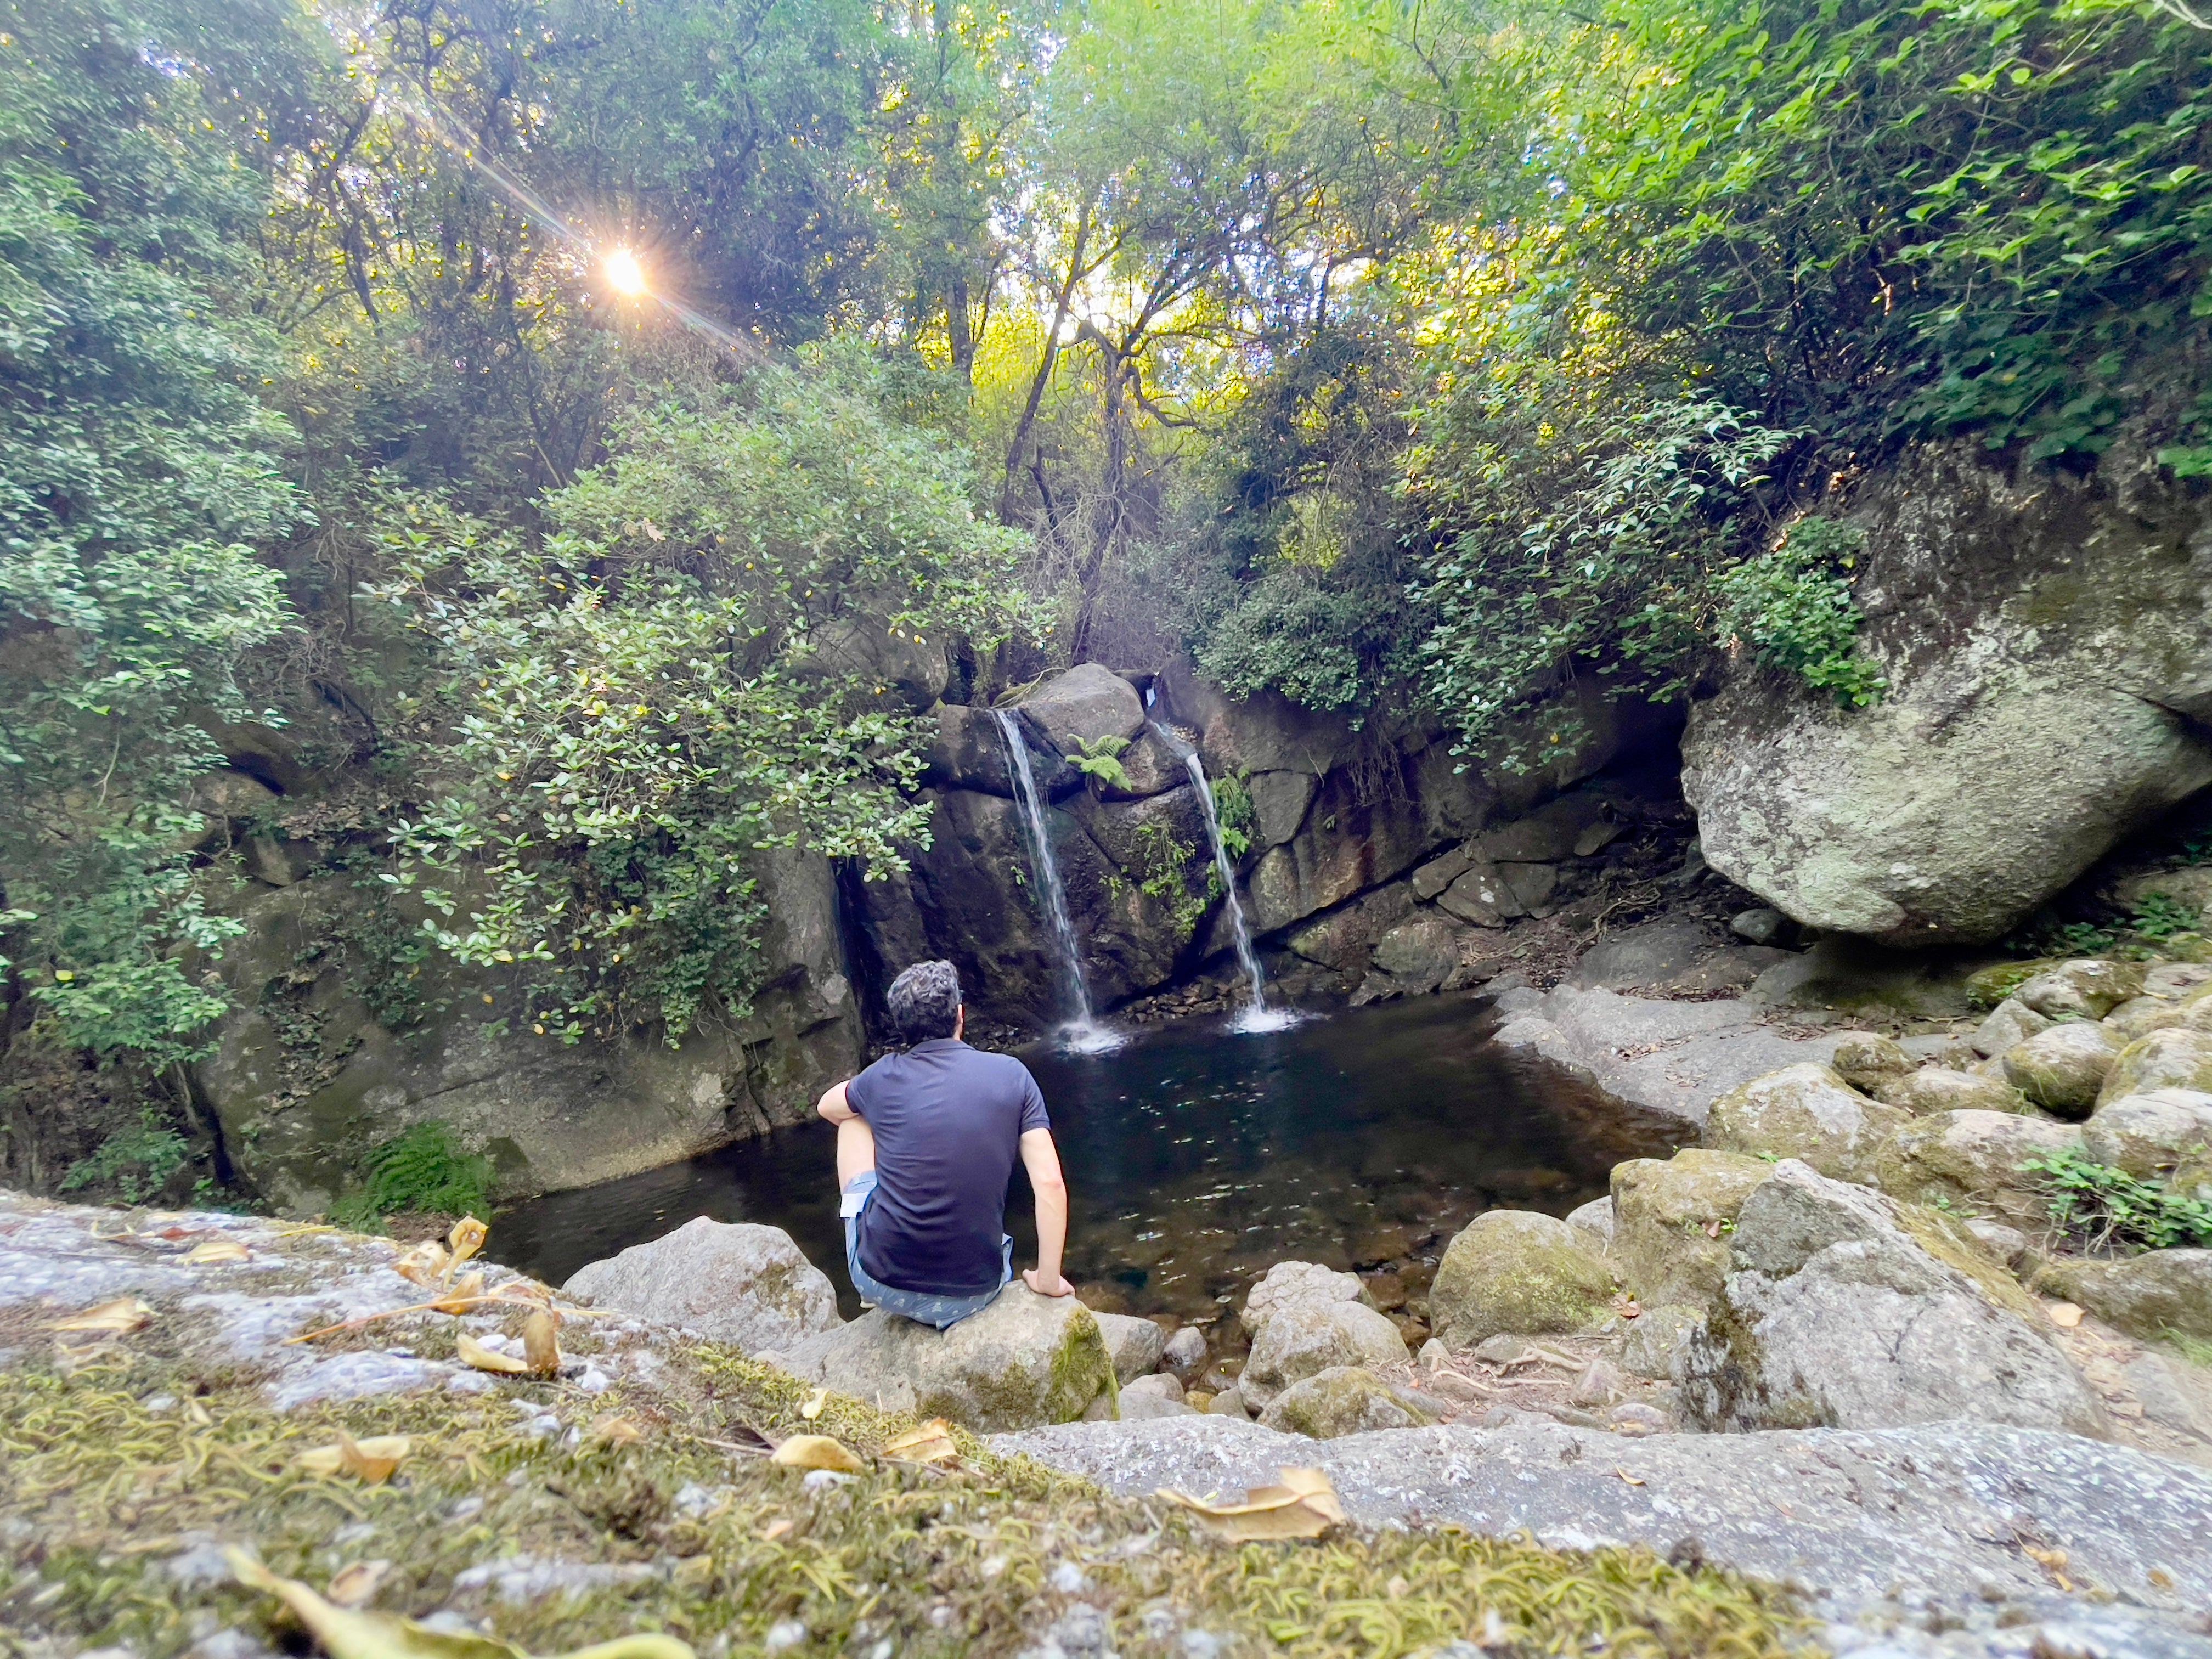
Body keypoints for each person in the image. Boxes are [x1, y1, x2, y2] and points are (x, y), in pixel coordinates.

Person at [816, 959, 1073, 1328]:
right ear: (960, 1015)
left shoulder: (881, 1077)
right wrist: (1048, 1279)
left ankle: (868, 1271)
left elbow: (827, 1106)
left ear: (902, 1026)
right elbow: (1049, 1182)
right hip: (976, 1293)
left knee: (852, 1119)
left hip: (881, 1284)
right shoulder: (1013, 1075)